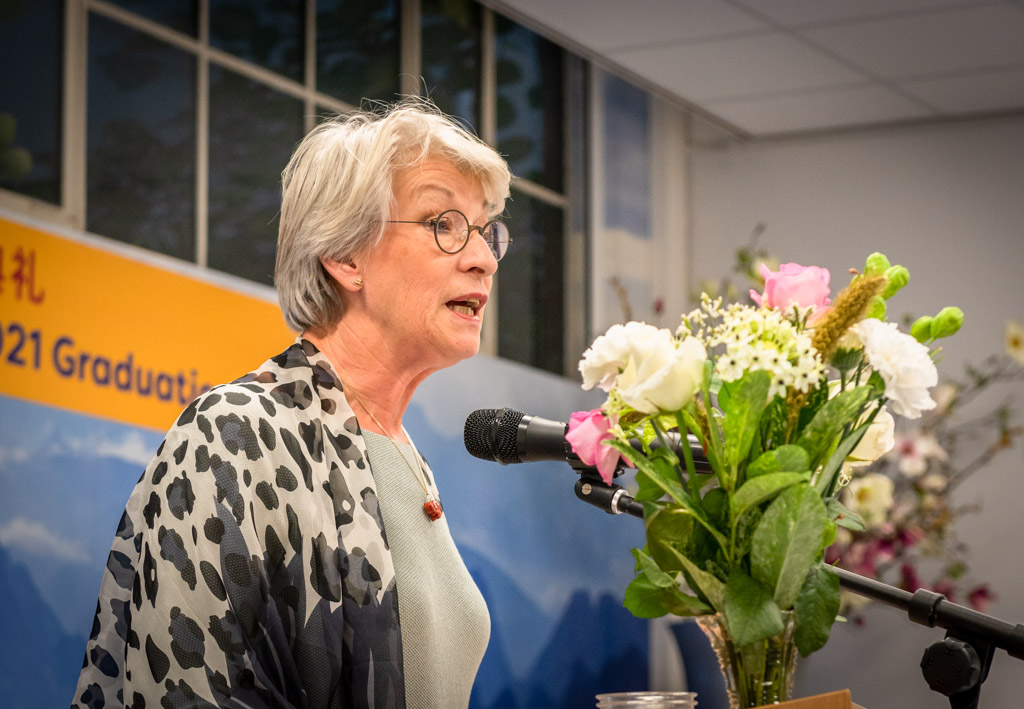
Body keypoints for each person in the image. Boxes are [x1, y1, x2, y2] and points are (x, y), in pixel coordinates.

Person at [71, 99, 513, 709]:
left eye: (487, 231)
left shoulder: (405, 458)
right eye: (444, 225)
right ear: (346, 257)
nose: (484, 258)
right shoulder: (231, 437)